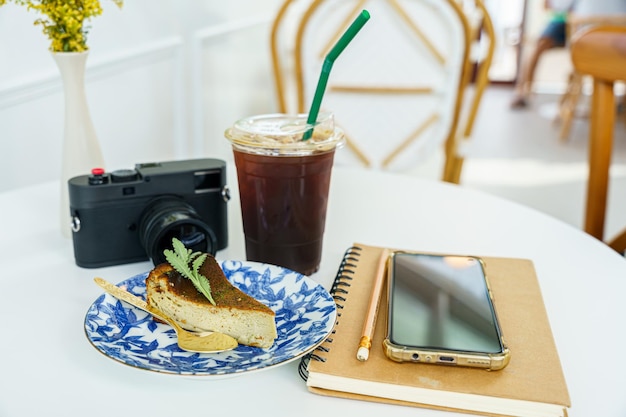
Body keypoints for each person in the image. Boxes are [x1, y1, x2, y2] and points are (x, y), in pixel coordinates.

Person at [510, 1, 571, 109]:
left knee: (537, 48)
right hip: (557, 21)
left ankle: (524, 90)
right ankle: (524, 89)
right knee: (535, 48)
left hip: (572, 23)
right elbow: (546, 6)